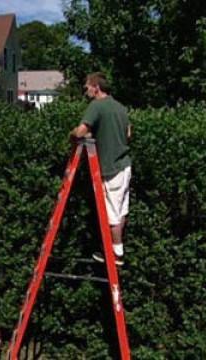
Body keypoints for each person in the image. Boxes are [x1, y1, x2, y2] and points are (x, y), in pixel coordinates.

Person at [70, 72, 132, 264]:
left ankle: (116, 253)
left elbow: (81, 131)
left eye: (87, 87)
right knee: (121, 210)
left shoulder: (96, 106)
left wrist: (72, 135)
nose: (86, 90)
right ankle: (116, 249)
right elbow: (128, 133)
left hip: (110, 167)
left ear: (96, 87)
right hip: (124, 165)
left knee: (111, 214)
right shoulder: (120, 107)